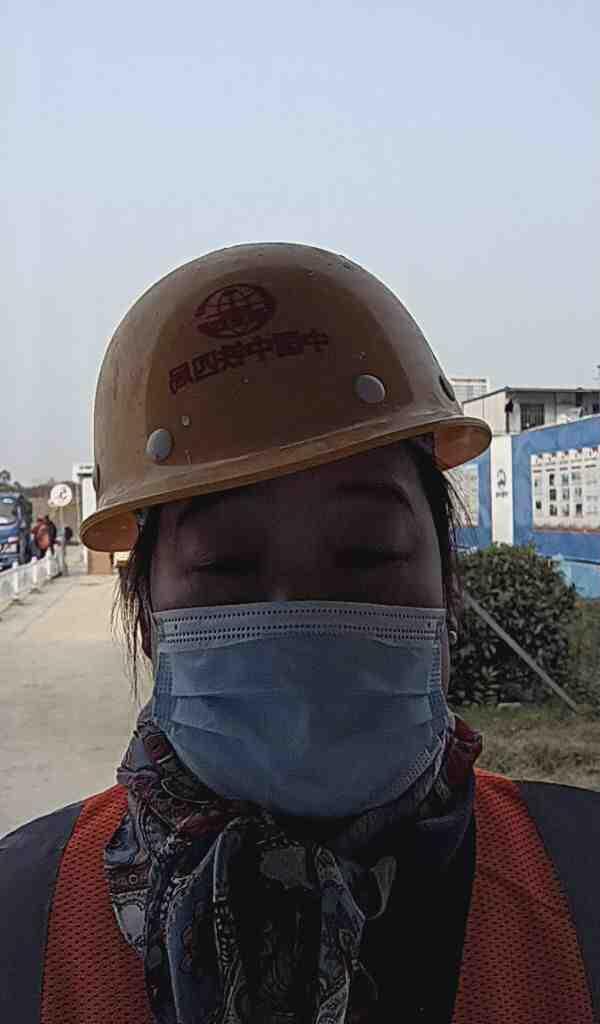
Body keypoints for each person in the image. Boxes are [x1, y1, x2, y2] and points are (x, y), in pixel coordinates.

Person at [1, 244, 598, 1024]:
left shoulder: (579, 884)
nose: (300, 614)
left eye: (367, 552)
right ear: (146, 617)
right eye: (226, 565)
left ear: (449, 586)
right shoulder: (24, 923)